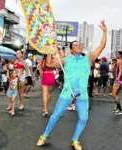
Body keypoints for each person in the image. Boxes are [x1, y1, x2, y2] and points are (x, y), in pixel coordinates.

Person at [37, 20, 107, 150]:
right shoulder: (66, 60)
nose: (79, 46)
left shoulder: (88, 58)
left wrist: (105, 31)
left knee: (83, 118)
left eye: (79, 44)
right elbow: (49, 64)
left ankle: (75, 140)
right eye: (76, 45)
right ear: (71, 49)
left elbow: (102, 46)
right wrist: (48, 50)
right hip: (67, 93)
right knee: (56, 115)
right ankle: (45, 135)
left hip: (82, 95)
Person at [111, 51, 122, 115]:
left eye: (117, 54)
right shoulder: (119, 60)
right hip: (118, 79)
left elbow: (121, 70)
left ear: (120, 55)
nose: (116, 55)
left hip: (118, 80)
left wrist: (118, 78)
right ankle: (117, 108)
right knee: (116, 94)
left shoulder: (120, 61)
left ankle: (120, 110)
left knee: (113, 94)